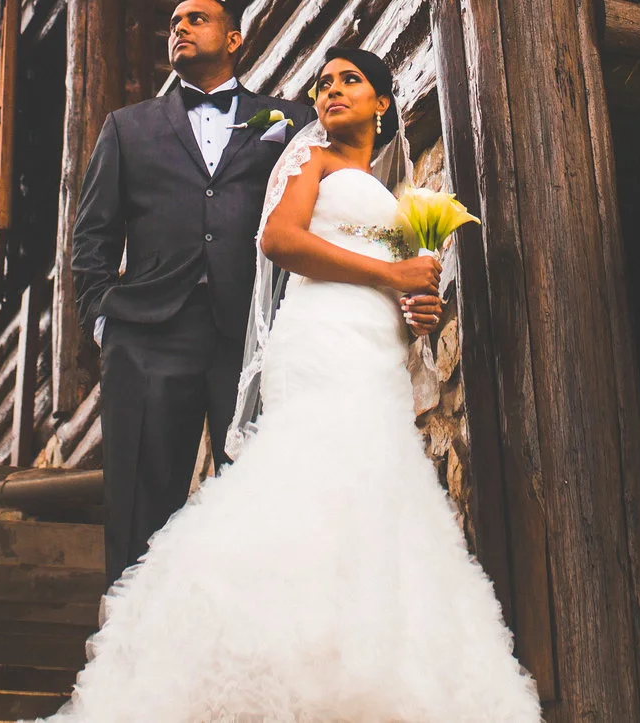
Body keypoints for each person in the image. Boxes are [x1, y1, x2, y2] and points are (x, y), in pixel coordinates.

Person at [44, 45, 542, 722]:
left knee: (375, 495)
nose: (331, 90)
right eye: (324, 82)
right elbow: (279, 239)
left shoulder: (395, 195)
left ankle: (359, 656)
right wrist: (392, 274)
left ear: (382, 102)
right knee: (310, 479)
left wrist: (418, 308)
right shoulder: (313, 158)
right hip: (320, 341)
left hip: (376, 352)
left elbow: (402, 294)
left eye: (350, 81)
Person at [71, 0, 444, 584]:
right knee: (140, 502)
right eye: (174, 23)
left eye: (197, 19)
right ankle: (130, 630)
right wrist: (102, 319)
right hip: (147, 333)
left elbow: (343, 209)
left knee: (261, 494)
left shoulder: (290, 123)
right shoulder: (127, 127)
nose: (181, 28)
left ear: (234, 39)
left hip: (249, 335)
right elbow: (92, 231)